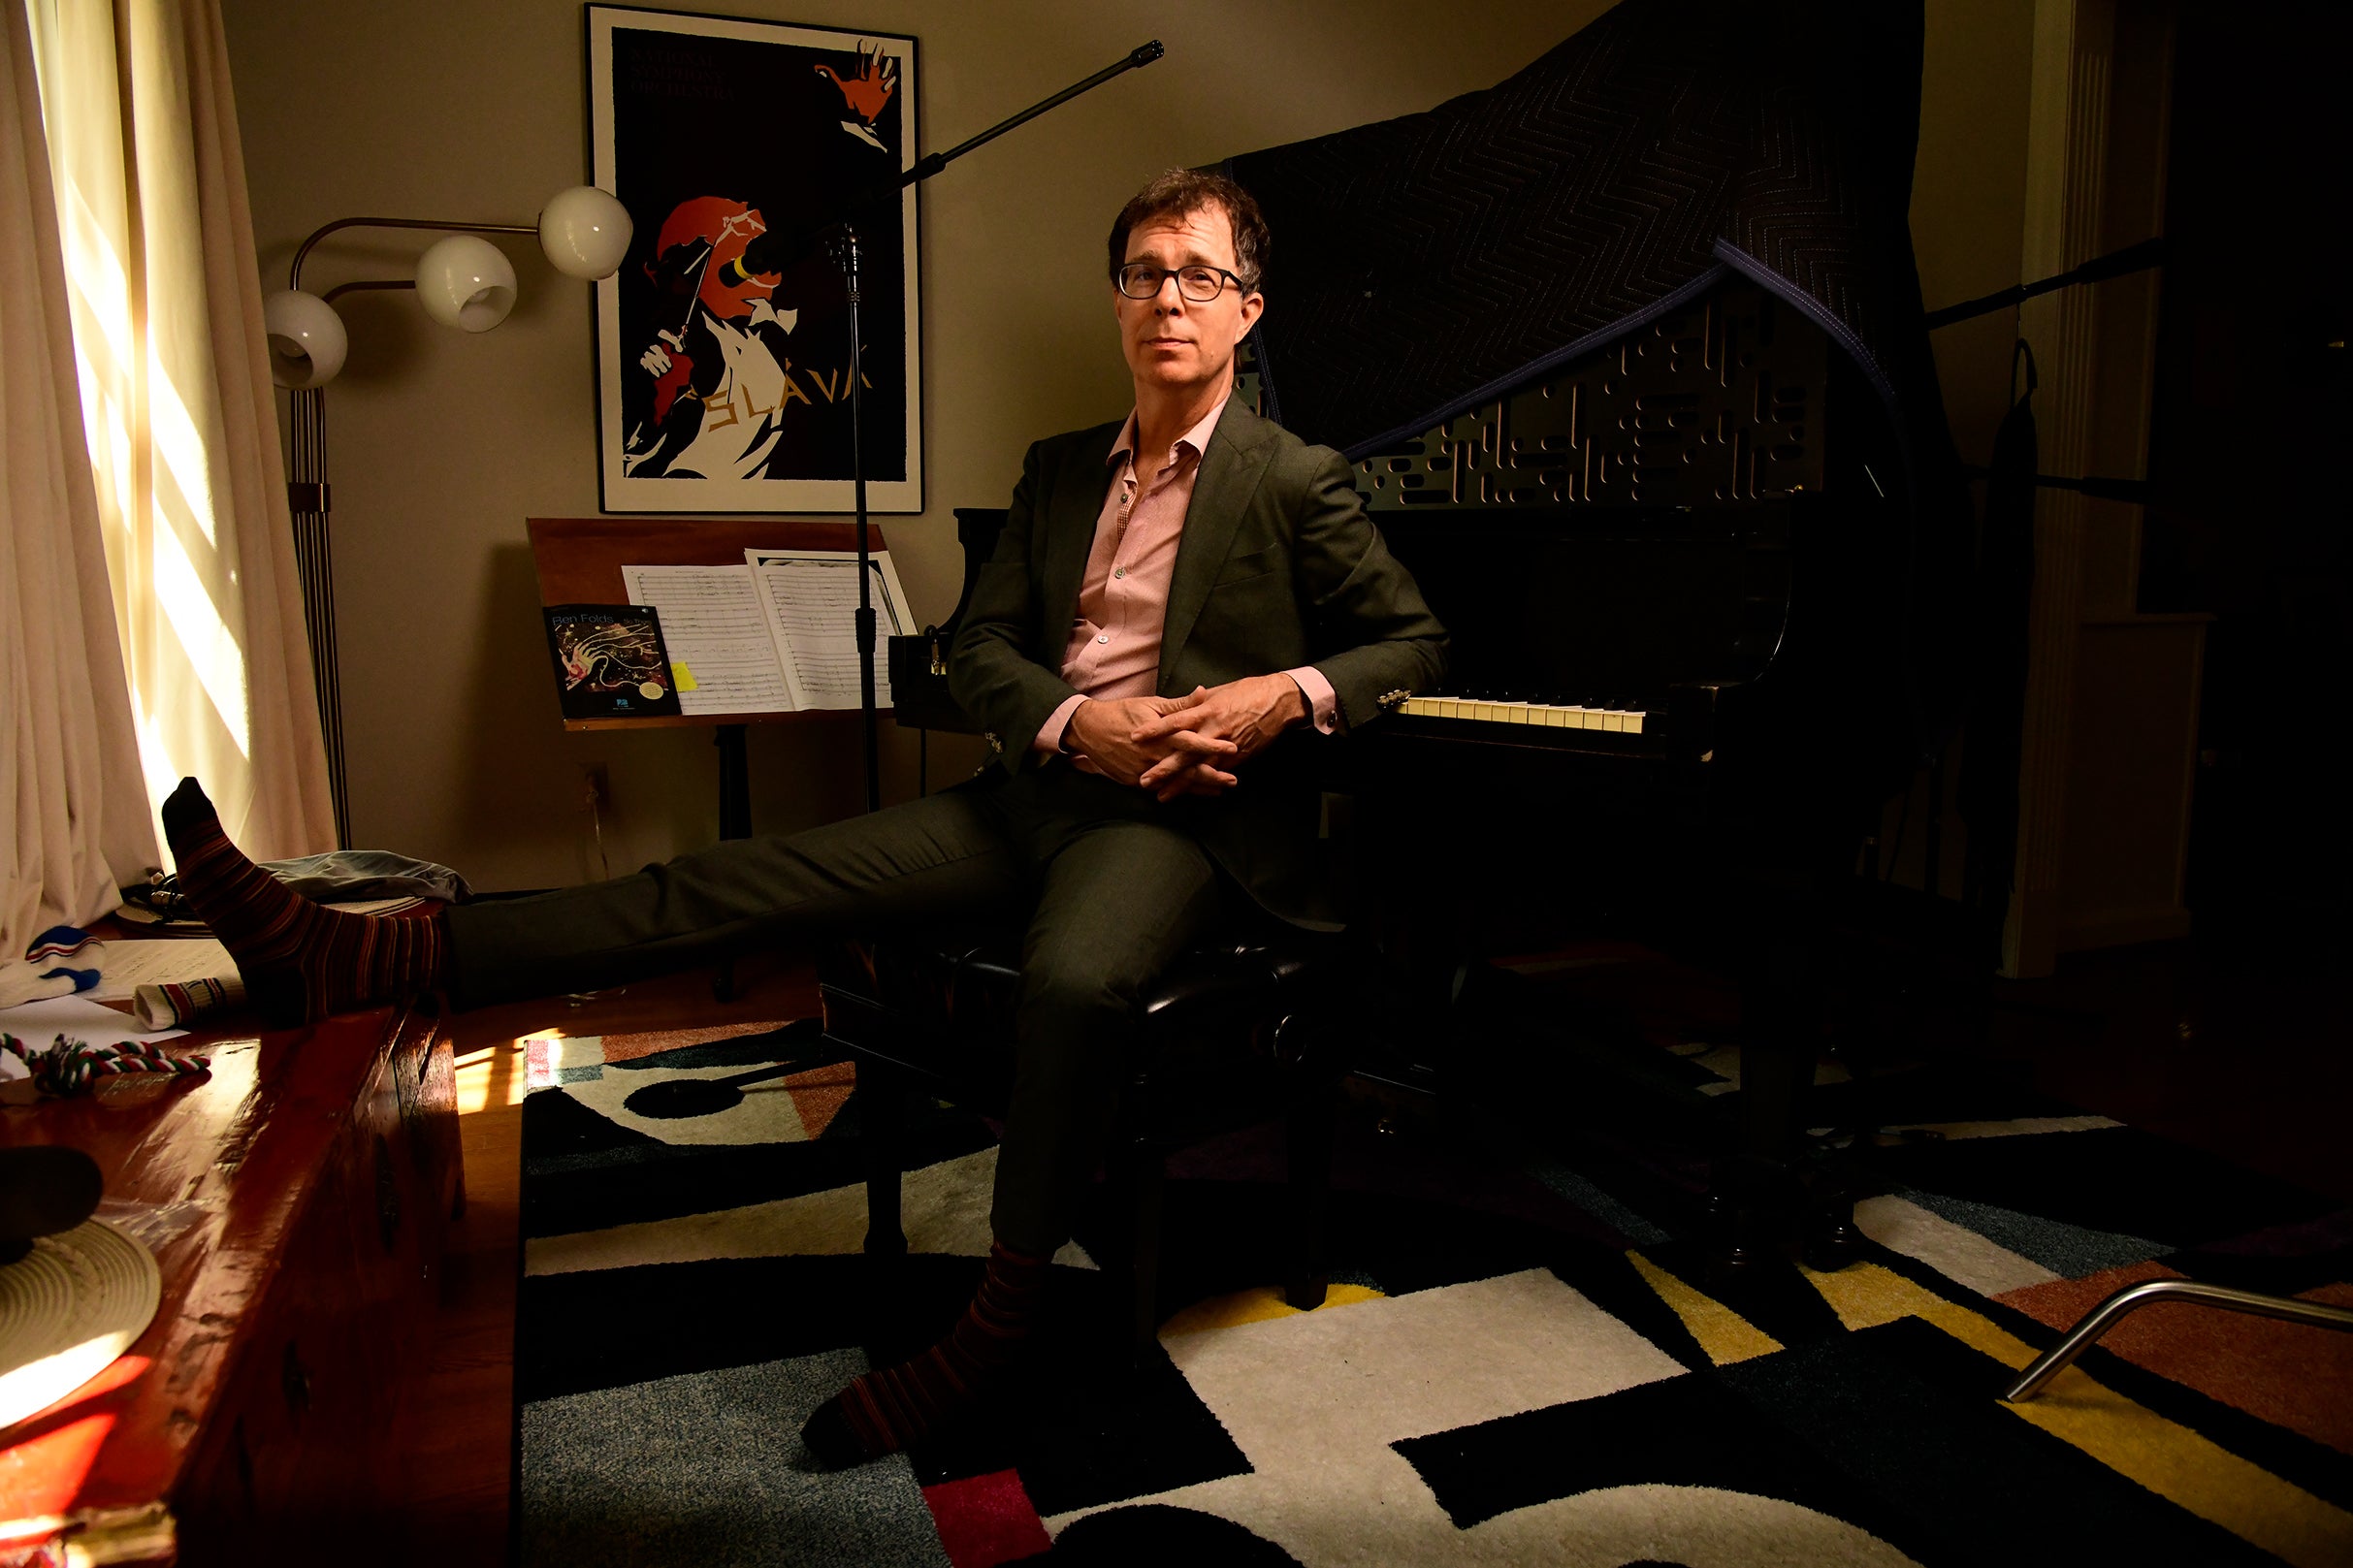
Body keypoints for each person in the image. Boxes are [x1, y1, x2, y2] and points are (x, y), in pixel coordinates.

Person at [158, 168, 1446, 1467]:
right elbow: (978, 646)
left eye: (1200, 276)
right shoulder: (1061, 469)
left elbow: (1412, 642)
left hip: (1170, 823)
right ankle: (371, 954)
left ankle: (995, 1325)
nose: (1170, 298)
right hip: (1038, 787)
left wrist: (1282, 695)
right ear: (1116, 299)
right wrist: (1070, 720)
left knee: (1076, 978)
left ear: (1246, 309)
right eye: (1145, 273)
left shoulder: (1296, 479)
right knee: (737, 876)